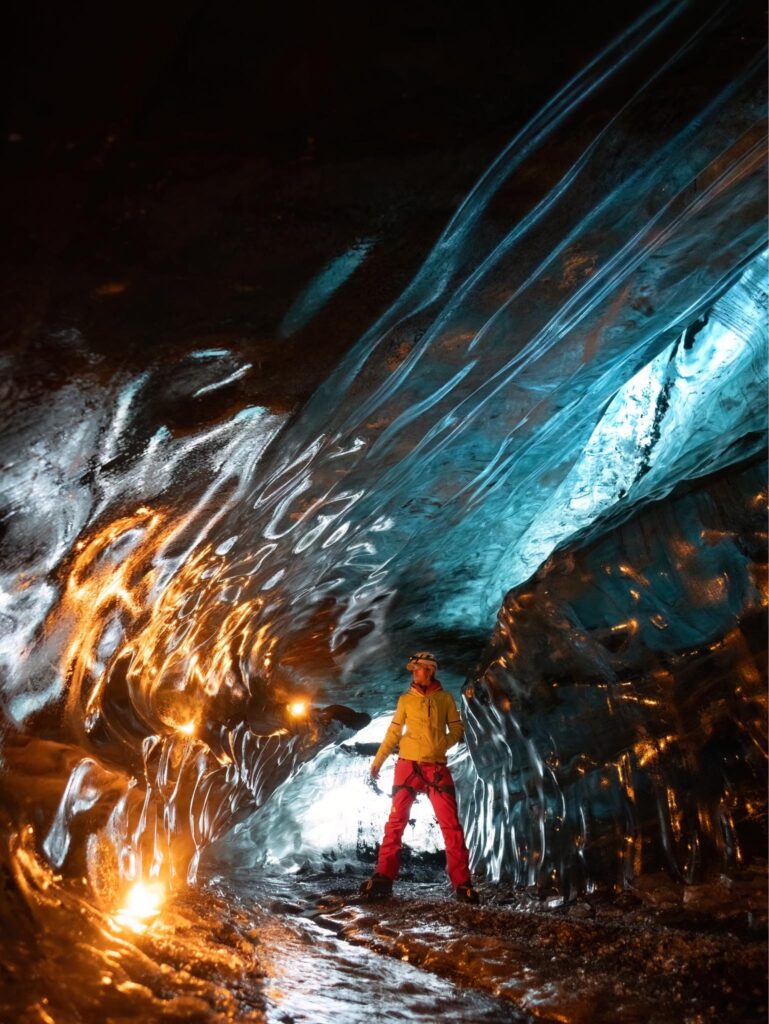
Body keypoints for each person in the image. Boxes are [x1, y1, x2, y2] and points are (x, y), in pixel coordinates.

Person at [360, 651, 479, 903]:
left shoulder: (445, 699)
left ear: (430, 670)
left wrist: (441, 745)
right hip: (407, 767)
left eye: (418, 669)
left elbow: (457, 728)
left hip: (436, 768)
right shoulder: (406, 700)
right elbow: (393, 733)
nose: (414, 673)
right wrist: (378, 761)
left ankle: (462, 884)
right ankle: (383, 878)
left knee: (451, 826)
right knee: (396, 823)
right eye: (413, 670)